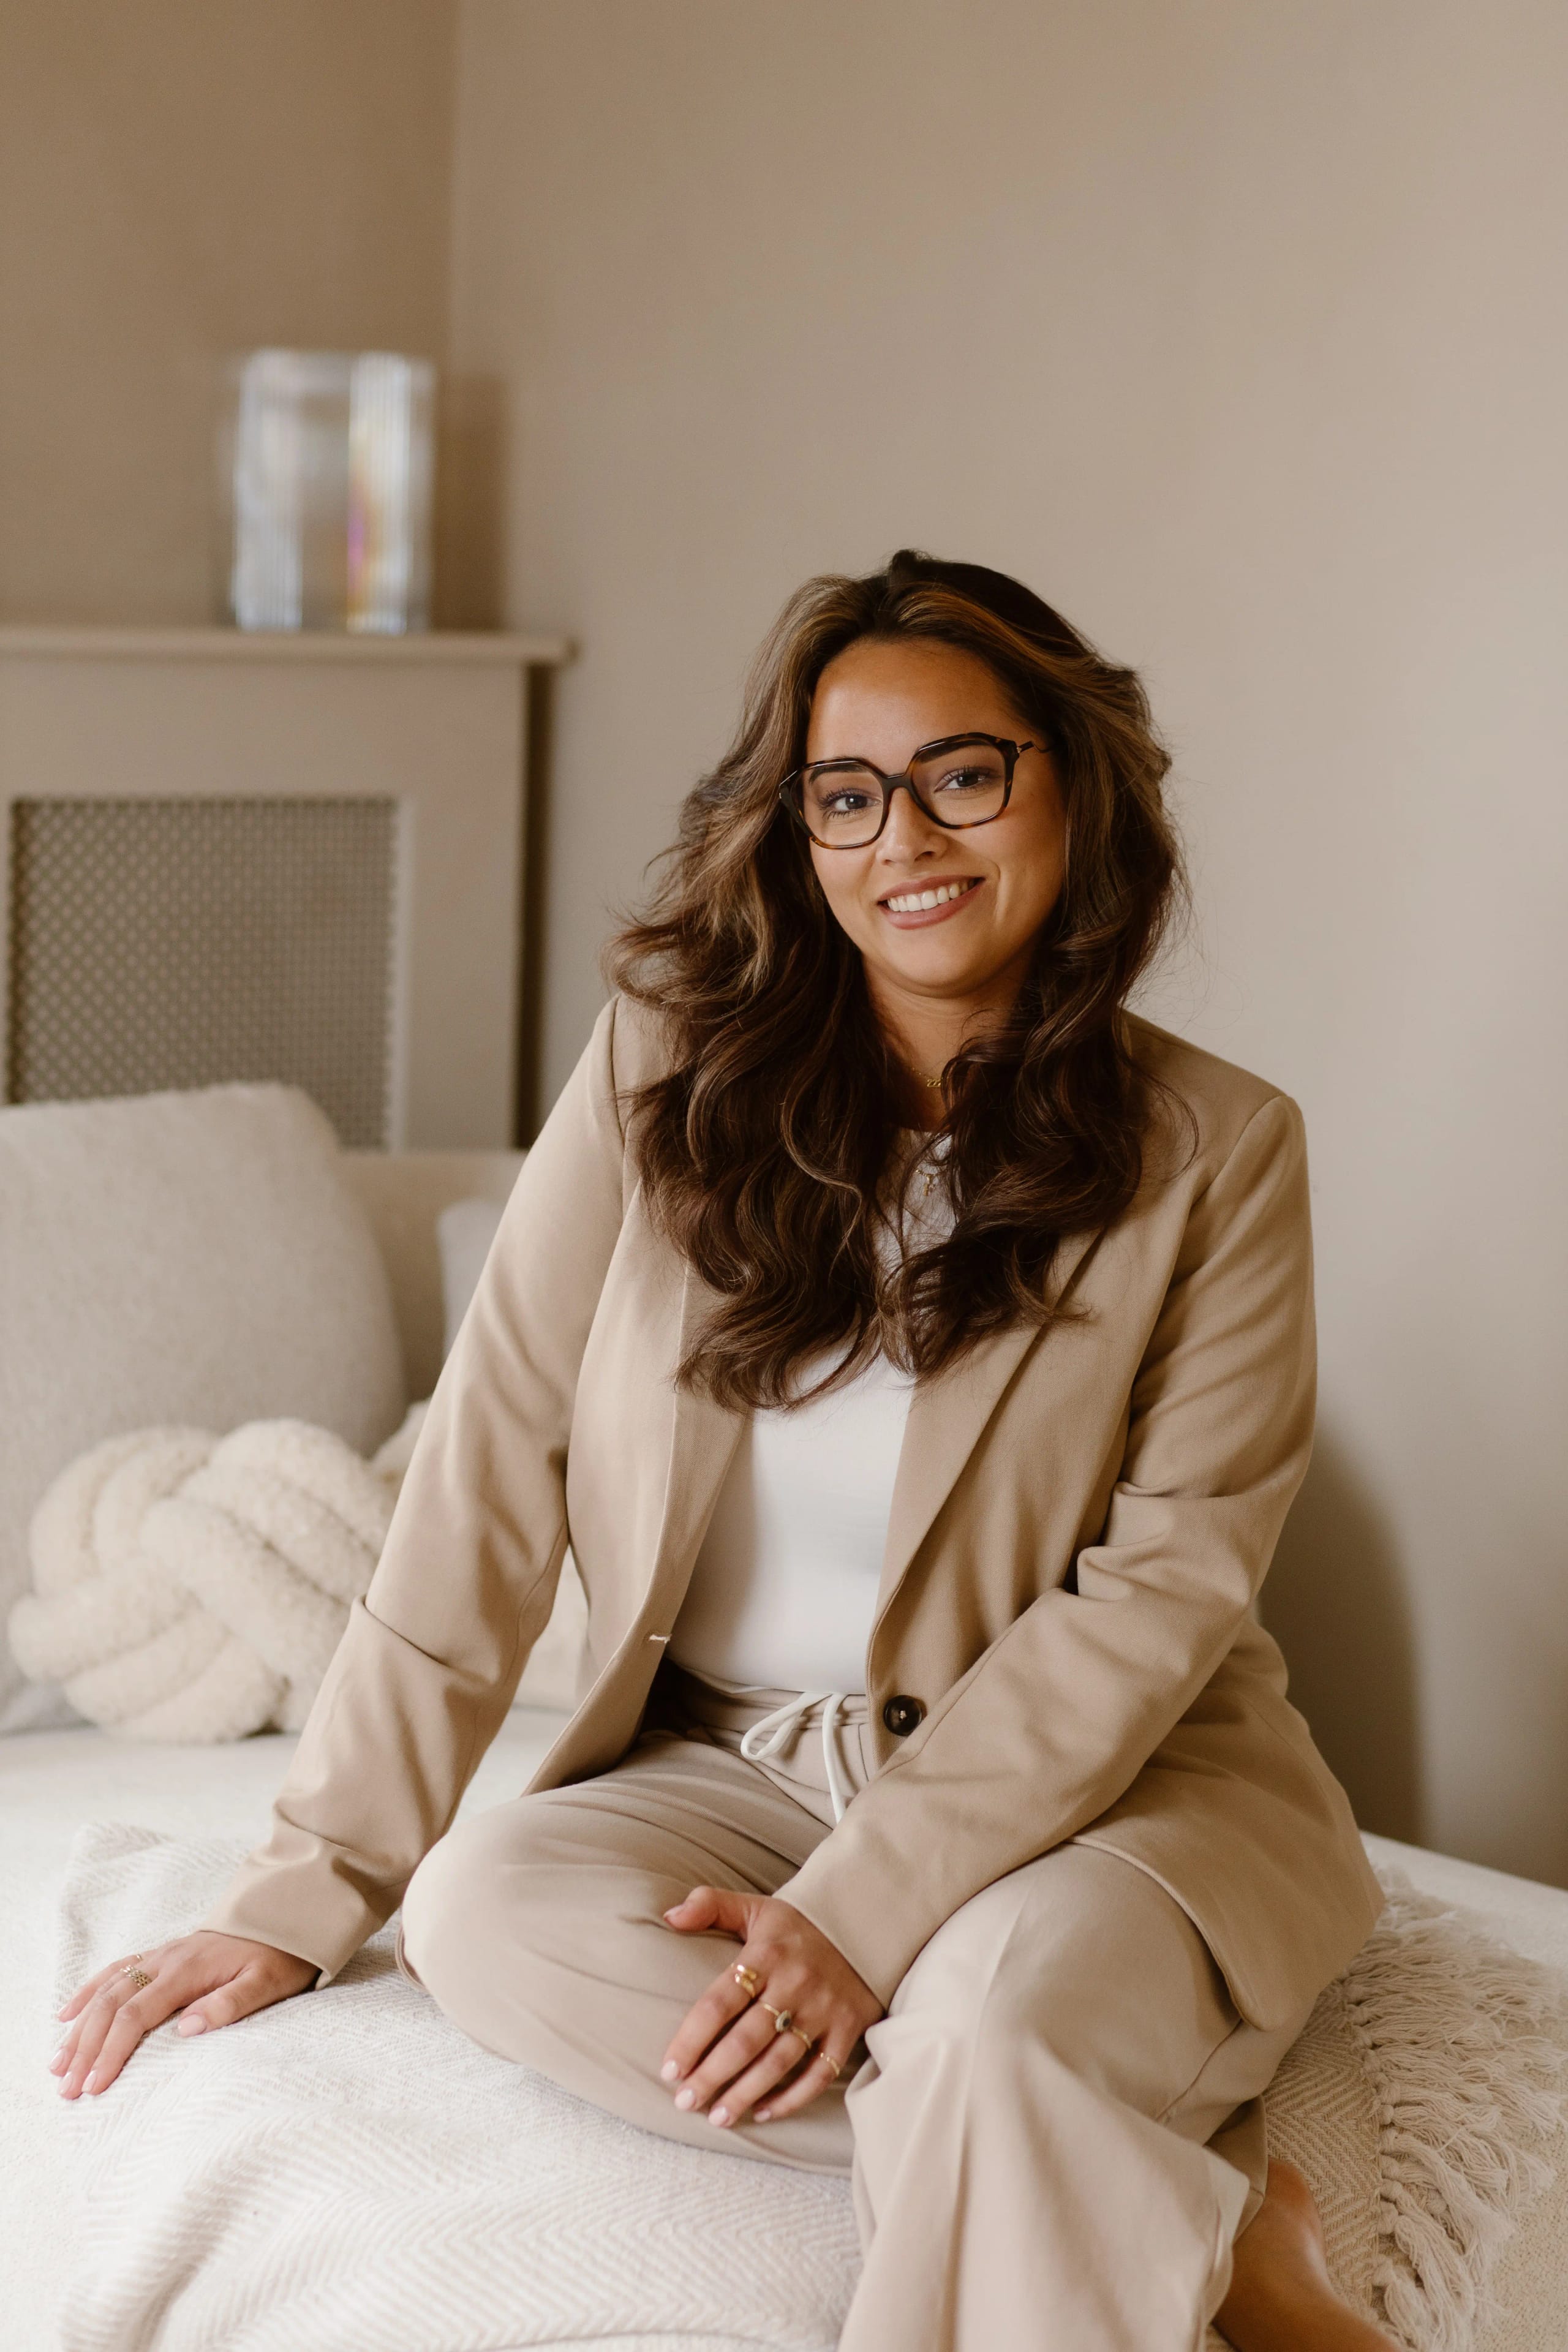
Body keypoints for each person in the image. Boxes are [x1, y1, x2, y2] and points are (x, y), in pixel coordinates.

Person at [54, 552, 1397, 2352]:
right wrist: (312, 1894)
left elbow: (1164, 1599)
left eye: (963, 774)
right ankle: (1208, 2241)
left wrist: (863, 1910)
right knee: (485, 1913)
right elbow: (490, 1468)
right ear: (795, 833)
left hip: (1119, 1788)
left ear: (1074, 785)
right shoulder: (660, 1079)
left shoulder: (1220, 1151)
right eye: (847, 794)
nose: (904, 837)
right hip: (736, 1774)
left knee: (996, 2024)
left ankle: (1058, 2144)